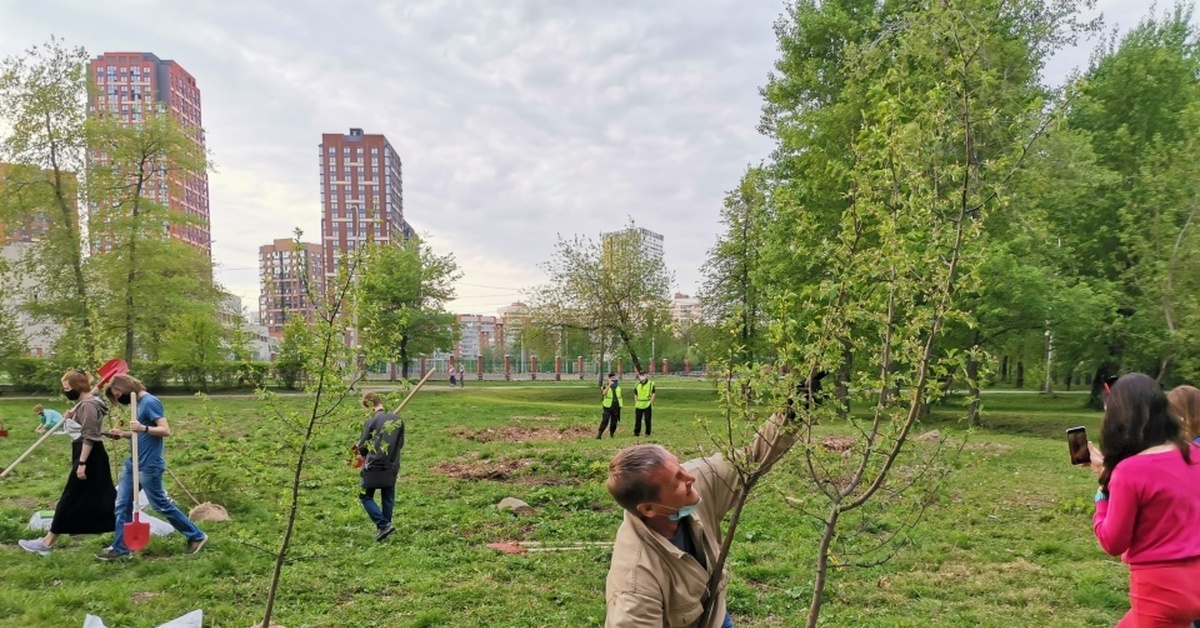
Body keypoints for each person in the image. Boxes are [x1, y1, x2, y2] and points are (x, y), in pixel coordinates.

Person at [604, 411, 797, 627]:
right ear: (648, 508)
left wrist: (792, 412)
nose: (690, 478)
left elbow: (752, 458)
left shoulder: (698, 481)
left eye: (681, 468)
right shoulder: (635, 584)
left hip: (713, 614)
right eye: (676, 481)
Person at [1087, 373, 1200, 626]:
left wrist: (1102, 496)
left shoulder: (1129, 471)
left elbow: (1113, 542)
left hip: (1160, 592)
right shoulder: (1195, 453)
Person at [97, 374, 207, 560]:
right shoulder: (137, 404)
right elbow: (139, 434)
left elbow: (165, 430)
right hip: (133, 463)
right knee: (121, 505)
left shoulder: (149, 402)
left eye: (117, 393)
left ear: (127, 387)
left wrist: (143, 428)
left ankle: (196, 536)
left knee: (160, 505)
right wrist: (124, 434)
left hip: (149, 465)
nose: (117, 397)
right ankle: (121, 548)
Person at [19, 370, 117, 556]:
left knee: (71, 497)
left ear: (78, 387)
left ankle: (47, 543)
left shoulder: (89, 406)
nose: (65, 391)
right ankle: (121, 536)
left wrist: (81, 464)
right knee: (102, 498)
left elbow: (90, 436)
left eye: (67, 388)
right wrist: (70, 418)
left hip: (88, 455)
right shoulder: (85, 405)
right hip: (87, 454)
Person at [356, 392, 404, 541]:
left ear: (370, 406)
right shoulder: (397, 420)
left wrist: (359, 449)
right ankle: (384, 530)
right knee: (387, 498)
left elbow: (363, 447)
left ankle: (383, 525)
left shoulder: (371, 420)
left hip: (374, 465)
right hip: (392, 464)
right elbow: (400, 444)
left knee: (364, 496)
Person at [597, 372, 623, 439]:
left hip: (616, 406)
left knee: (614, 422)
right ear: (609, 378)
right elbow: (603, 393)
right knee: (605, 420)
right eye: (612, 378)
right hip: (607, 406)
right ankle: (599, 434)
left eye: (614, 377)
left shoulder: (618, 387)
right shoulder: (605, 385)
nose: (613, 379)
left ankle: (612, 434)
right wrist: (609, 385)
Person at [633, 370, 656, 438]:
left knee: (647, 419)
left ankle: (647, 433)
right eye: (641, 375)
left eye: (643, 375)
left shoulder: (651, 384)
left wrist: (651, 402)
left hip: (647, 402)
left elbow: (653, 393)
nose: (642, 376)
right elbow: (635, 394)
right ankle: (636, 432)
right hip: (639, 403)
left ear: (646, 375)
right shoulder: (637, 384)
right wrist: (636, 401)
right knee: (638, 419)